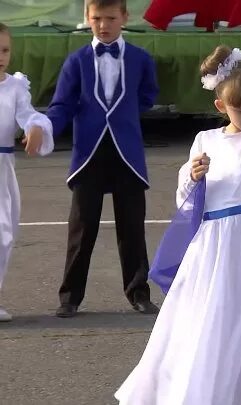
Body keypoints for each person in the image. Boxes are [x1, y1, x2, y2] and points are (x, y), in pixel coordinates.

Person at [115, 2, 241, 403]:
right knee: (208, 323)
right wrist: (191, 176)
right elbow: (186, 201)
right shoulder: (205, 141)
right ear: (221, 106)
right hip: (212, 250)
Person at [46, 0, 160, 318]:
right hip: (88, 154)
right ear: (87, 17)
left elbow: (149, 94)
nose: (103, 25)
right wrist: (46, 129)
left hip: (127, 153)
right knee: (81, 229)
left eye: (111, 18)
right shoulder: (76, 61)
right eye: (97, 18)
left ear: (125, 17)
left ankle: (139, 292)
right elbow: (61, 105)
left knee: (132, 227)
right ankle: (70, 297)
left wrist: (124, 118)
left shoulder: (140, 59)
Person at [0, 22, 54, 322]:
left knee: (3, 233)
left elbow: (28, 114)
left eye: (5, 50)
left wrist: (35, 127)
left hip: (2, 169)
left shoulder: (15, 87)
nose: (1, 56)